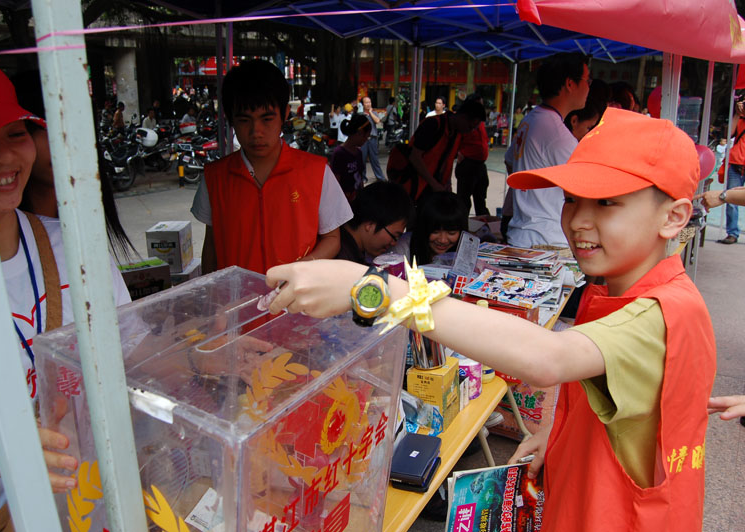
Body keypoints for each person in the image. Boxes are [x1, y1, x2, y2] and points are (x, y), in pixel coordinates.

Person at [265, 108, 714, 531]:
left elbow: (550, 357)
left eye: (607, 203)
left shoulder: (663, 310)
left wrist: (374, 288)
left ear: (674, 217)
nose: (578, 220)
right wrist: (555, 437)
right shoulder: (614, 289)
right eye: (572, 200)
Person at [0, 57, 132, 531]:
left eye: (14, 133)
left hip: (90, 513)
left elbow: (133, 357)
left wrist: (205, 355)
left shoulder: (76, 247)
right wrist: (17, 452)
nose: (3, 157)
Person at [190, 59, 352, 275]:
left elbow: (333, 239)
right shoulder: (215, 178)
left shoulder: (316, 171)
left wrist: (299, 269)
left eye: (267, 119)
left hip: (296, 303)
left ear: (284, 113)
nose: (256, 131)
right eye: (245, 120)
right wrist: (212, 297)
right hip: (237, 304)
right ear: (230, 118)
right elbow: (211, 245)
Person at [504, 53, 590, 248]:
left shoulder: (532, 119)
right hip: (548, 241)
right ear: (570, 83)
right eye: (587, 80)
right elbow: (584, 186)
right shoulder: (556, 133)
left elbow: (510, 161)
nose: (588, 88)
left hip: (525, 233)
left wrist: (530, 197)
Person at [387, 99, 484, 203]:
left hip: (434, 189)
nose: (470, 131)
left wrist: (445, 186)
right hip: (415, 187)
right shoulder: (433, 124)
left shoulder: (456, 133)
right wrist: (434, 184)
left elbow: (447, 161)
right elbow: (414, 156)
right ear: (463, 117)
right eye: (470, 126)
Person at [336, 182, 413, 265]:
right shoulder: (341, 258)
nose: (394, 243)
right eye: (394, 236)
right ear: (370, 224)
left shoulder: (350, 249)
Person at [390, 191, 468, 264]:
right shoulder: (402, 250)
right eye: (435, 232)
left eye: (451, 233)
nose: (442, 240)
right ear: (422, 228)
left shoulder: (467, 251)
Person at [715, 98, 745, 244]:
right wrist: (737, 114)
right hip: (735, 163)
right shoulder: (740, 119)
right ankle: (732, 233)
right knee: (730, 198)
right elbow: (729, 134)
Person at [455, 101, 490, 215]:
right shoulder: (462, 125)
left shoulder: (480, 124)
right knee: (464, 200)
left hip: (480, 165)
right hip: (467, 164)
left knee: (480, 199)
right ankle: (462, 226)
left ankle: (483, 226)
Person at [329, 114, 371, 203]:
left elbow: (360, 179)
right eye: (366, 136)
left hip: (357, 202)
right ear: (360, 133)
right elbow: (335, 183)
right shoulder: (339, 153)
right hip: (343, 204)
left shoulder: (359, 153)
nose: (366, 140)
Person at [360, 96, 386, 182]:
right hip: (363, 139)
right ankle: (363, 177)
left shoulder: (374, 113)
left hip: (373, 138)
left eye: (369, 102)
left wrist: (370, 113)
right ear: (363, 104)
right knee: (362, 159)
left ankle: (380, 177)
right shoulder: (361, 115)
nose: (368, 104)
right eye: (366, 102)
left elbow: (377, 121)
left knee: (374, 159)